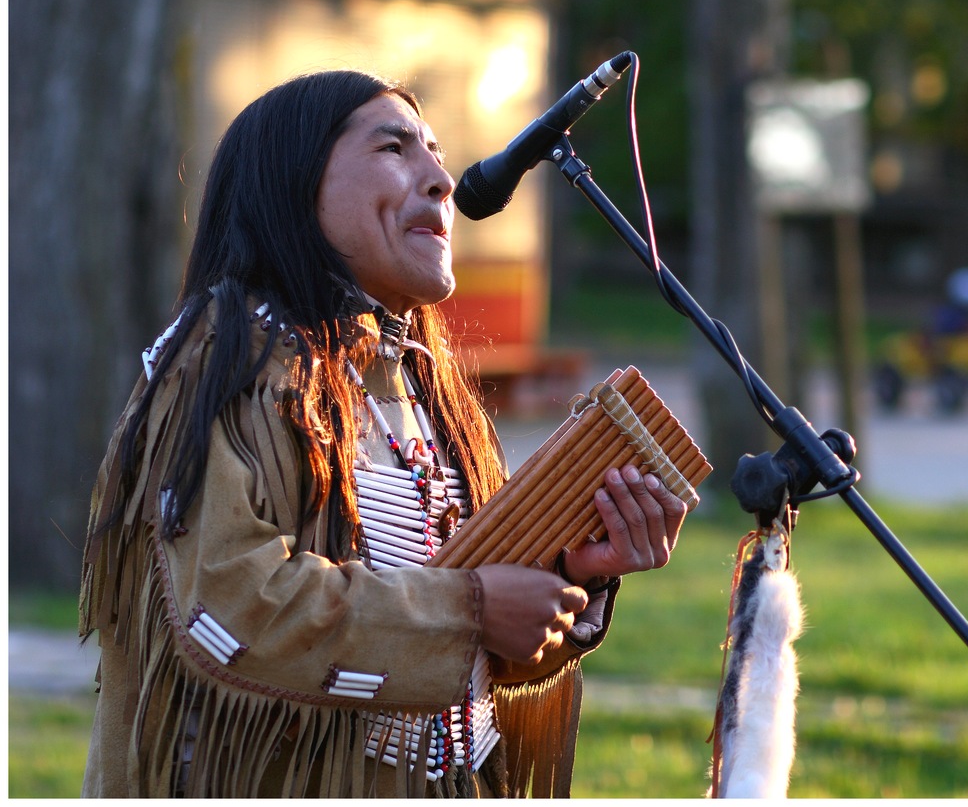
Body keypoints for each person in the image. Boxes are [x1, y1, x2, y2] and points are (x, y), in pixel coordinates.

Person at [78, 70, 689, 798]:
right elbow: (230, 603)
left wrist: (574, 583)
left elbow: (467, 661)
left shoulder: (426, 391)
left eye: (436, 151)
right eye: (395, 148)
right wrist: (474, 608)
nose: (442, 180)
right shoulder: (229, 358)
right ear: (293, 184)